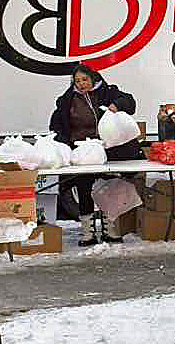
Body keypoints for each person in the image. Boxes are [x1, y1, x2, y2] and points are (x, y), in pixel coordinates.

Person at [49, 63, 143, 246]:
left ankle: (111, 228)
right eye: (77, 81)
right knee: (84, 188)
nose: (82, 84)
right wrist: (66, 145)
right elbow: (57, 126)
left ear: (93, 78)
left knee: (111, 186)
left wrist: (116, 105)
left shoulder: (108, 92)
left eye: (85, 79)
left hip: (108, 151)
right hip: (83, 153)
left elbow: (130, 102)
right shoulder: (66, 100)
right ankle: (87, 232)